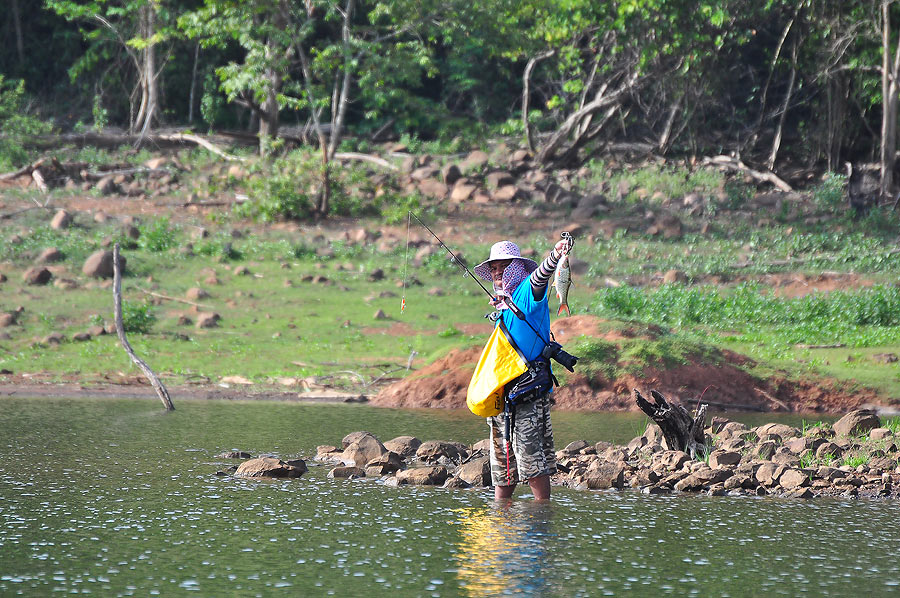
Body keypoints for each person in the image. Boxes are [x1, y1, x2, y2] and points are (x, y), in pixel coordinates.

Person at [473, 237, 573, 500]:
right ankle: (501, 519)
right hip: (503, 392)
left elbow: (541, 276)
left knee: (532, 462)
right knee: (502, 465)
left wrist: (556, 254)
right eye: (493, 269)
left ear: (516, 268)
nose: (497, 273)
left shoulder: (528, 293)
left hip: (527, 390)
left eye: (503, 267)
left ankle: (542, 516)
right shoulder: (503, 304)